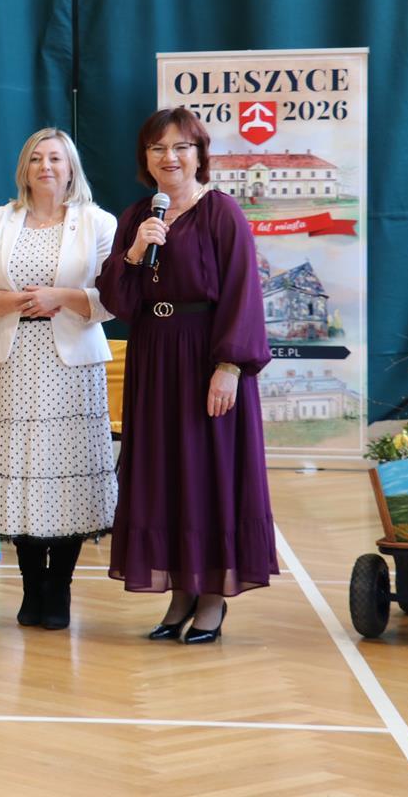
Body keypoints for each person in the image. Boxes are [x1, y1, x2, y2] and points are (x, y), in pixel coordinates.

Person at [95, 107, 276, 644]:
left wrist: (229, 367)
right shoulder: (137, 217)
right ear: (145, 159)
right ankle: (179, 592)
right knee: (163, 475)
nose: (168, 157)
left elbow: (243, 292)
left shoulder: (221, 212)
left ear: (199, 155)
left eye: (180, 147)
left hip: (206, 356)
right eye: (157, 148)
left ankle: (212, 596)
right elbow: (117, 300)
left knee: (208, 474)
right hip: (154, 356)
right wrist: (133, 252)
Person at [0, 128, 118, 631]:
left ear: (71, 169)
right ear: (24, 169)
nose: (45, 166)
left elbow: (112, 299)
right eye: (35, 159)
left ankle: (60, 588)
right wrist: (15, 302)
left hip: (72, 365)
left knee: (69, 472)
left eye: (55, 158)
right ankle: (32, 588)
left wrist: (59, 298)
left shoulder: (98, 222)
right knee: (20, 473)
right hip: (14, 360)